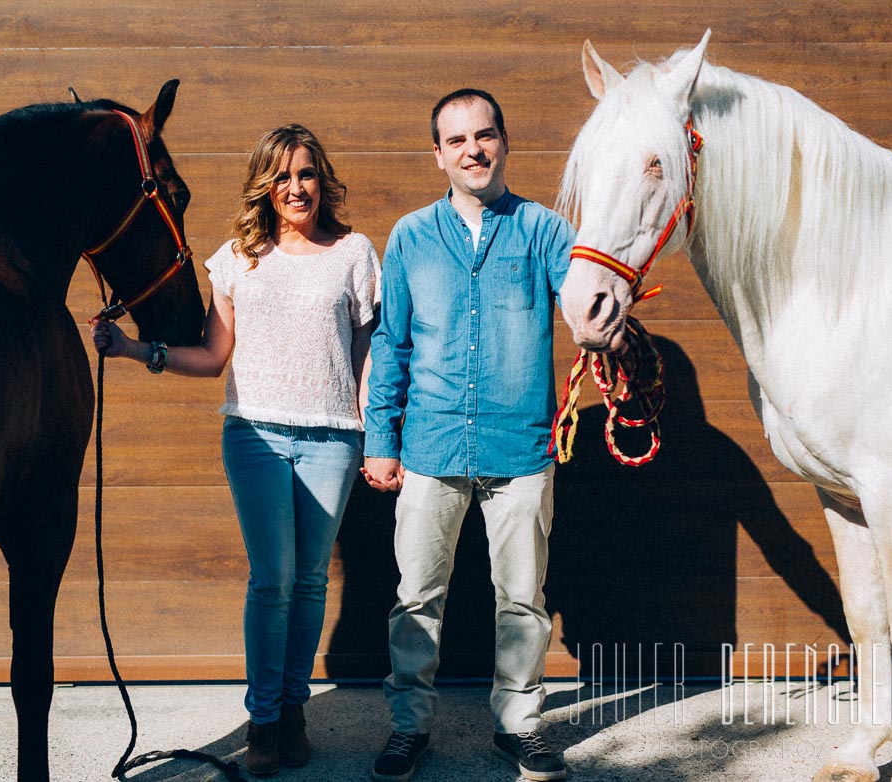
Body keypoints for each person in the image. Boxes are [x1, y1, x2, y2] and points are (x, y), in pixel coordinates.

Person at [91, 124, 380, 777]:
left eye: (305, 174)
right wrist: (138, 350)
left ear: (321, 180)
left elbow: (368, 356)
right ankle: (264, 720)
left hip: (333, 436)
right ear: (264, 187)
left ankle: (292, 710)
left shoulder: (355, 252)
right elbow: (214, 354)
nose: (295, 187)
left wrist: (375, 432)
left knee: (308, 583)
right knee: (271, 580)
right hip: (254, 434)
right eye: (281, 176)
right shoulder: (236, 258)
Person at [361, 89, 575, 782]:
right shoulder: (410, 236)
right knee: (416, 598)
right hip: (429, 445)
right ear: (438, 155)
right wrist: (380, 440)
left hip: (520, 451)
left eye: (483, 136)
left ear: (504, 142)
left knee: (521, 600)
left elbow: (589, 301)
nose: (472, 150)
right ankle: (408, 727)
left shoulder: (544, 230)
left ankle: (518, 728)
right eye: (456, 140)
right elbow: (391, 344)